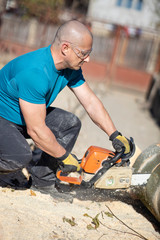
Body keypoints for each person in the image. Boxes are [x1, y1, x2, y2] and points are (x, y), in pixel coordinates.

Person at [0, 20, 131, 192]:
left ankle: (43, 182)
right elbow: (36, 131)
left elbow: (90, 102)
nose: (88, 59)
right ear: (65, 48)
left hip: (21, 118)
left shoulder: (70, 68)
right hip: (3, 118)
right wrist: (64, 156)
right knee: (19, 156)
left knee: (70, 123)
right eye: (84, 53)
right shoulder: (35, 72)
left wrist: (114, 135)